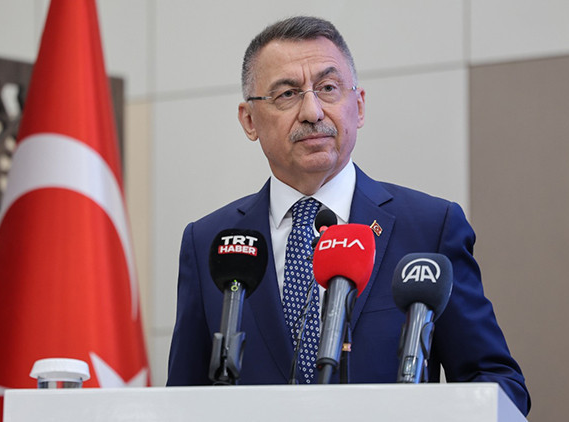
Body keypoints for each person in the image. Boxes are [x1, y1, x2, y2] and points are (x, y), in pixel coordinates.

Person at [167, 16, 531, 416]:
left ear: (358, 106)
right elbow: (181, 400)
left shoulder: (429, 228)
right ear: (249, 120)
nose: (312, 111)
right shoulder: (209, 241)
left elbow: (496, 383)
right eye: (287, 94)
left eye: (328, 88)